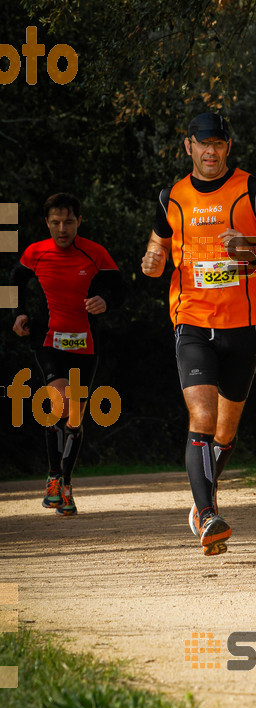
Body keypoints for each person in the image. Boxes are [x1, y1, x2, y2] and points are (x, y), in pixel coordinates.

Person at [142, 111, 256, 556]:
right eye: (202, 143)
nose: (211, 152)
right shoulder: (172, 196)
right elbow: (158, 247)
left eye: (218, 144)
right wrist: (151, 262)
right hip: (192, 322)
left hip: (245, 325)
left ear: (228, 146)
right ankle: (207, 515)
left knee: (225, 434)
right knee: (202, 420)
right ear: (188, 146)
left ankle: (205, 497)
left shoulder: (253, 189)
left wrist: (253, 249)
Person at [11, 192, 126, 515]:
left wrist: (105, 300)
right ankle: (53, 478)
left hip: (85, 344)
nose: (62, 229)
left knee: (75, 418)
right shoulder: (35, 253)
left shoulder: (94, 253)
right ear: (47, 223)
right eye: (56, 222)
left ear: (79, 221)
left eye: (69, 222)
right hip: (47, 341)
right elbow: (13, 281)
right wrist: (17, 313)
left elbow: (120, 289)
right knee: (57, 405)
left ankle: (66, 485)